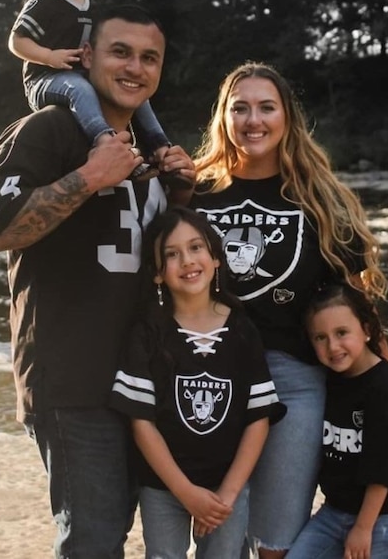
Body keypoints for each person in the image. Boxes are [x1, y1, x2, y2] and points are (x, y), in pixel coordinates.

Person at [0, 4, 196, 559]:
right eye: (120, 52)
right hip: (71, 378)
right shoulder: (46, 130)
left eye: (150, 58)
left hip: (137, 377)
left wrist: (183, 197)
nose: (135, 68)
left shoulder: (149, 148)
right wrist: (88, 177)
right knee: (94, 541)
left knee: (111, 529)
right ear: (87, 57)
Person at [191, 62, 388, 558]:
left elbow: (352, 298)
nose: (252, 120)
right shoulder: (193, 193)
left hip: (294, 383)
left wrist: (383, 379)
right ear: (223, 117)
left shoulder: (317, 199)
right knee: (217, 532)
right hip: (210, 377)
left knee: (277, 540)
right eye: (240, 108)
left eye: (266, 107)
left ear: (286, 119)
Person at [111, 207, 285, 558]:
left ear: (216, 258)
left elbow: (258, 418)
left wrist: (228, 495)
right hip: (163, 487)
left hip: (227, 487)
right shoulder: (148, 332)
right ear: (158, 274)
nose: (187, 261)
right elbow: (140, 422)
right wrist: (185, 492)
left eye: (195, 248)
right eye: (172, 255)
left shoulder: (241, 329)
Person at [9, 0, 185, 185]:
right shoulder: (43, 1)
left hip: (82, 77)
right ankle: (108, 143)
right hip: (47, 80)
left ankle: (159, 148)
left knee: (137, 92)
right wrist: (49, 56)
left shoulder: (93, 6)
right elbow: (17, 41)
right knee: (79, 88)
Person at [286, 282, 388, 559]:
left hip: (377, 519)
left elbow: (383, 469)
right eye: (320, 338)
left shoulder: (384, 390)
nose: (333, 346)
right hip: (333, 512)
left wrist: (363, 528)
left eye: (342, 333)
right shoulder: (332, 378)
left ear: (367, 330)